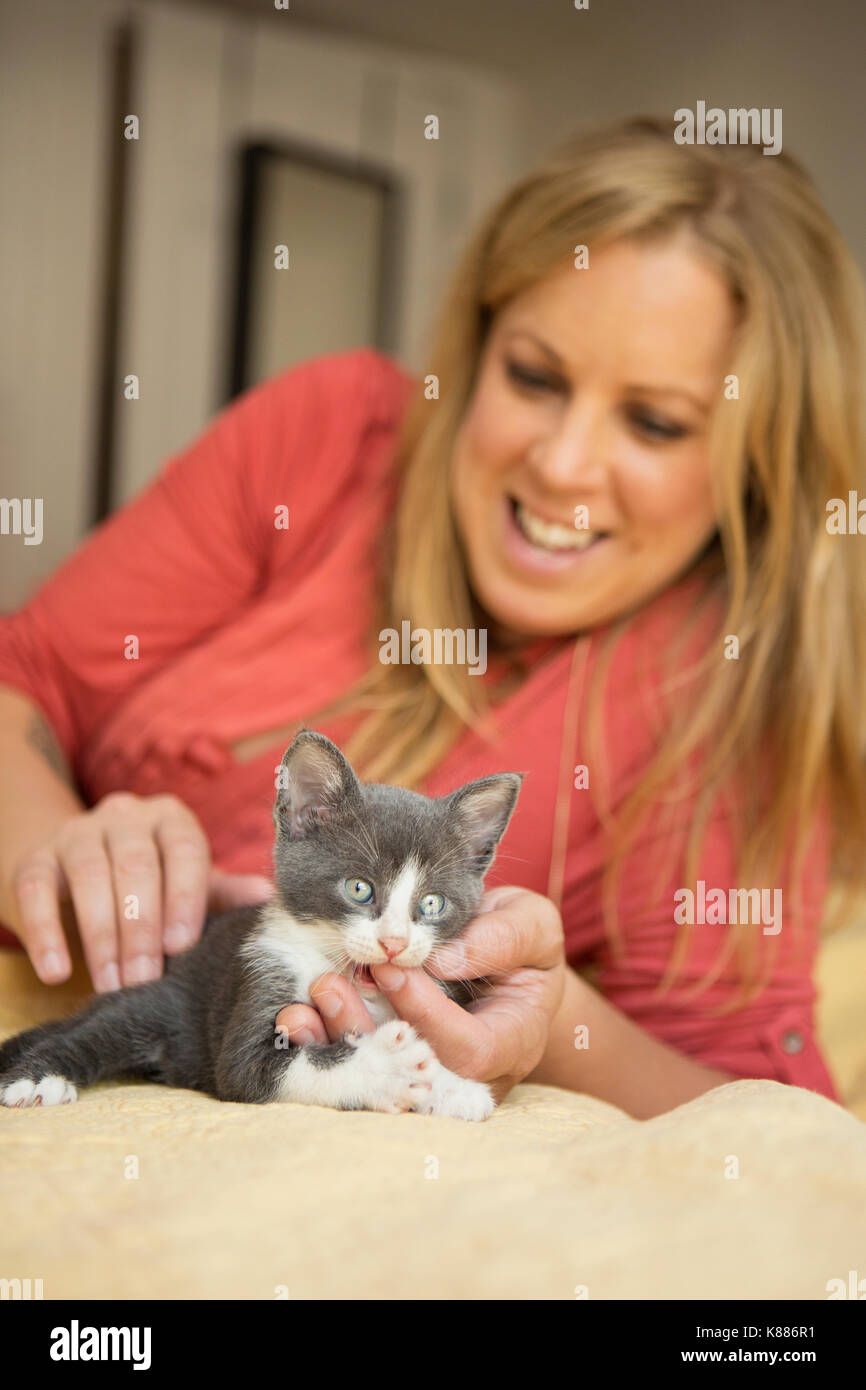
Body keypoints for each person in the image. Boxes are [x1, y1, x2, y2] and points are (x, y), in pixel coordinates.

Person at [1, 115, 864, 1120]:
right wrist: (51, 835)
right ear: (475, 343)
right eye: (533, 377)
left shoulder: (714, 691)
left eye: (654, 422)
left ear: (753, 469)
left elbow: (772, 1118)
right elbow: (28, 674)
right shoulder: (328, 433)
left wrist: (554, 1019)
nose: (562, 464)